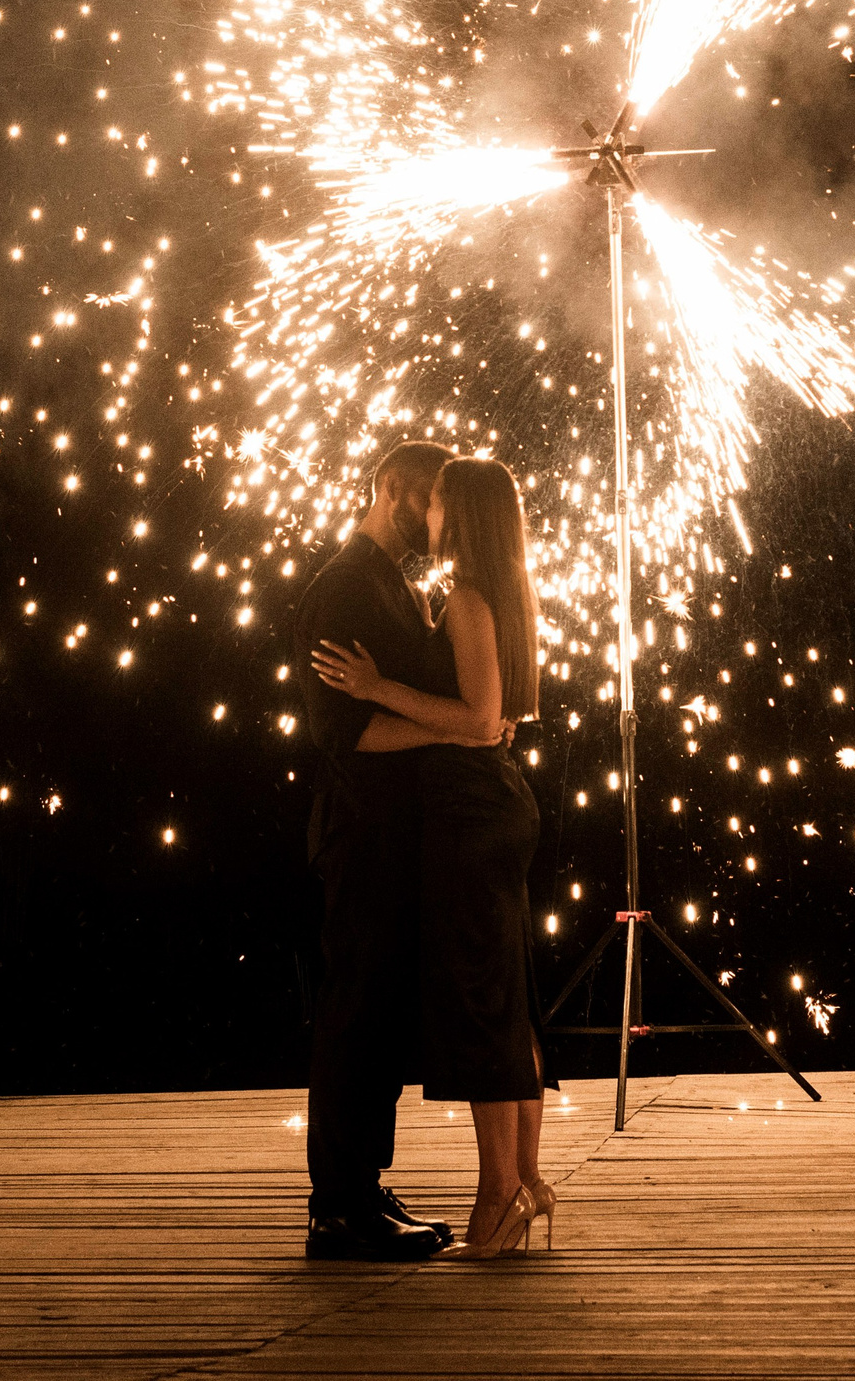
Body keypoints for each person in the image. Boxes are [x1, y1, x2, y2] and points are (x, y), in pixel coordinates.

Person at [314, 454, 555, 1260]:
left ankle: (496, 1197)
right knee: (503, 1002)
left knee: (483, 1006)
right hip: (477, 808)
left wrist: (379, 687)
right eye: (427, 499)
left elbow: (479, 720)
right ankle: (520, 1183)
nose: (431, 516)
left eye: (442, 502)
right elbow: (483, 717)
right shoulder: (481, 591)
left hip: (470, 813)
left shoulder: (463, 595)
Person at [291, 440, 491, 1261]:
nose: (440, 515)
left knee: (381, 1013)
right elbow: (342, 731)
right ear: (389, 489)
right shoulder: (343, 586)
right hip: (362, 831)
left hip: (396, 831)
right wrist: (454, 730)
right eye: (430, 498)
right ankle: (338, 1206)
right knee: (356, 1012)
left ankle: (362, 1185)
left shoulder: (399, 576)